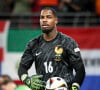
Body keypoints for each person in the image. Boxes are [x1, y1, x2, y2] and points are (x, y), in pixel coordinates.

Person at [18, 7, 85, 90]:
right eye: (42, 17)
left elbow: (80, 70)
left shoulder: (68, 42)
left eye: (48, 17)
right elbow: (22, 68)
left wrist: (74, 87)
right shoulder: (33, 44)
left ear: (56, 20)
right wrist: (28, 80)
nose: (44, 20)